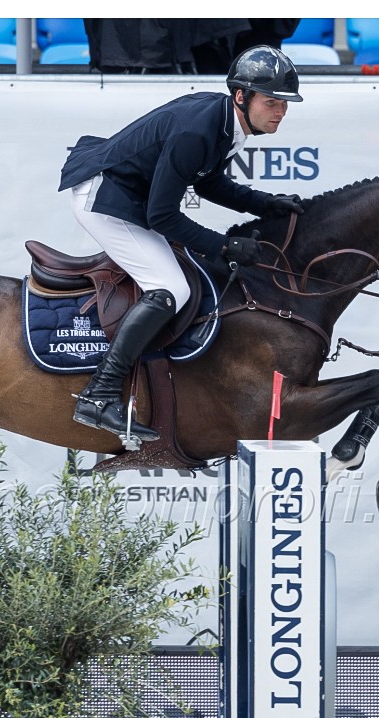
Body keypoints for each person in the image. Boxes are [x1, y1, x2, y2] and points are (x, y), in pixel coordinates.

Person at [58, 45, 305, 444]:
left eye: (285, 104)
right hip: (103, 200)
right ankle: (100, 395)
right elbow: (163, 217)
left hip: (130, 196)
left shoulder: (227, 120)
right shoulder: (199, 129)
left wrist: (264, 203)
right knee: (171, 287)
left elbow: (207, 181)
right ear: (242, 96)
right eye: (272, 101)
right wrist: (225, 247)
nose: (280, 112)